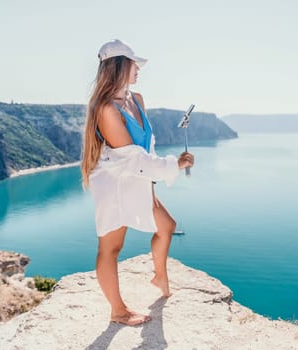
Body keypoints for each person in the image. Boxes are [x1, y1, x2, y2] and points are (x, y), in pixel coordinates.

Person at [80, 39, 195, 326]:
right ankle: (118, 311)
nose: (138, 70)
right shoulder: (106, 109)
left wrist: (156, 176)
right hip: (116, 186)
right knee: (111, 248)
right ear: (119, 66)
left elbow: (146, 147)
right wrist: (174, 164)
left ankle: (159, 275)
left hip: (139, 180)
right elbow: (132, 159)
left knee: (166, 226)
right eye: (134, 64)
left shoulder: (136, 99)